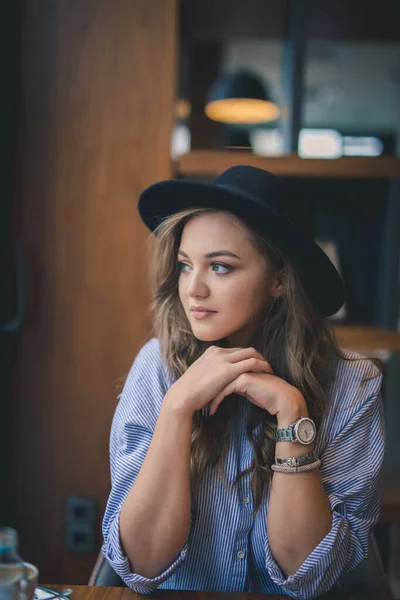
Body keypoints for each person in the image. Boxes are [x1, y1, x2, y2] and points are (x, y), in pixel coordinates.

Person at [101, 166, 385, 599]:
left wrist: (293, 414)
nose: (193, 289)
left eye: (219, 267)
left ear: (279, 280)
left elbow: (306, 573)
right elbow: (141, 564)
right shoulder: (157, 368)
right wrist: (178, 407)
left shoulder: (352, 384)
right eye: (184, 265)